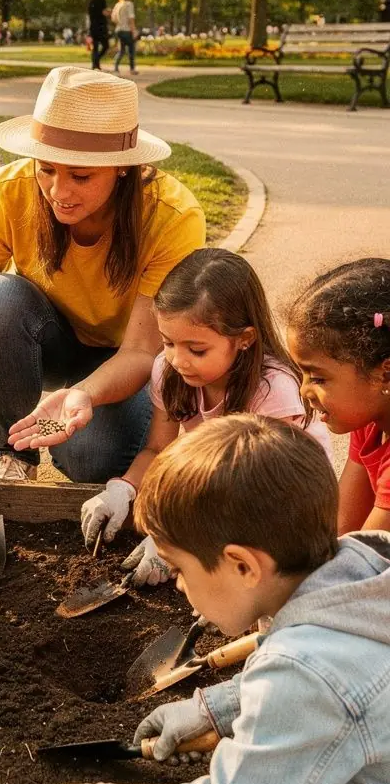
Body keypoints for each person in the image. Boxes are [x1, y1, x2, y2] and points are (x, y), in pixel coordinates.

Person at [34, 415, 390, 784]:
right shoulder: (360, 563)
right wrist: (213, 708)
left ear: (242, 565)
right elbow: (332, 682)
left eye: (180, 569)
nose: (177, 585)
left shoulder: (305, 675)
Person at [0, 67, 205, 484]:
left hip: (124, 357)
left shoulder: (171, 217)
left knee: (88, 460)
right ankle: (13, 455)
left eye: (81, 175)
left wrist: (83, 395)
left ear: (122, 167)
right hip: (47, 338)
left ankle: (56, 427)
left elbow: (143, 352)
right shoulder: (8, 190)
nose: (58, 192)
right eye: (47, 169)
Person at [81, 248, 332, 585]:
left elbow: (266, 495)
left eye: (196, 350)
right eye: (168, 342)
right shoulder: (170, 372)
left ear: (244, 339)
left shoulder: (272, 391)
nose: (178, 359)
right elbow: (159, 451)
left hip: (289, 506)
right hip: (228, 487)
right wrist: (123, 489)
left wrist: (183, 542)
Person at [287, 258, 390, 535]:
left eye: (318, 378)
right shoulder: (372, 419)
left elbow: (364, 562)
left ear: (385, 375)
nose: (304, 391)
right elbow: (341, 528)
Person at [112, 0, 137, 74]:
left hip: (119, 30)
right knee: (131, 50)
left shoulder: (117, 5)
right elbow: (131, 18)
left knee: (121, 50)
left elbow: (113, 19)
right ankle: (132, 69)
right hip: (127, 30)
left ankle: (115, 67)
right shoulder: (129, 4)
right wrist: (134, 31)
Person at [87, 0, 109, 70]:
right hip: (98, 27)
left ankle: (96, 62)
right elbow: (102, 12)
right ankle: (96, 64)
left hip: (98, 26)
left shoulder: (99, 1)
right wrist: (107, 12)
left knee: (102, 46)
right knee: (99, 46)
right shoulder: (97, 1)